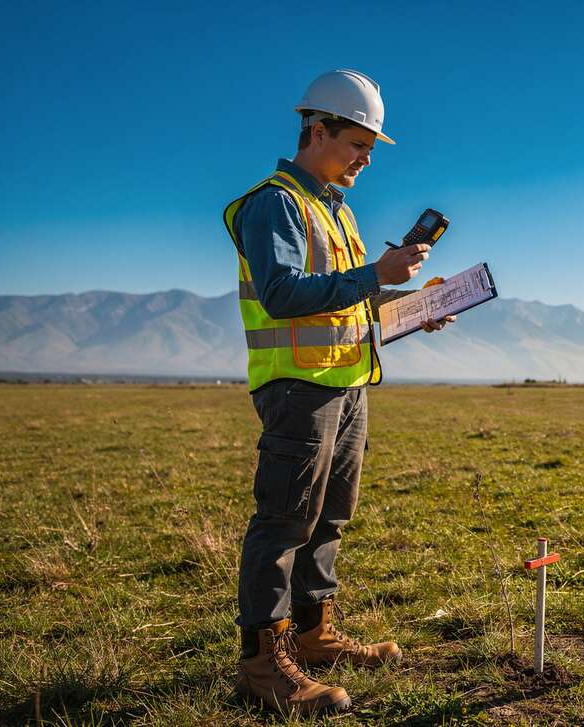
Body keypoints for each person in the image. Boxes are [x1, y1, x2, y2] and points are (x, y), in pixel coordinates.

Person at [221, 68, 452, 716]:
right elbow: (284, 294)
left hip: (347, 385)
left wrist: (412, 305)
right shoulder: (276, 204)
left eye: (371, 149)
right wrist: (376, 272)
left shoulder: (335, 211)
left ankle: (316, 635)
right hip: (300, 390)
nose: (365, 159)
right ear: (316, 130)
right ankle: (263, 664)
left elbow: (350, 305)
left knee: (328, 518)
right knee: (283, 522)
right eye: (357, 144)